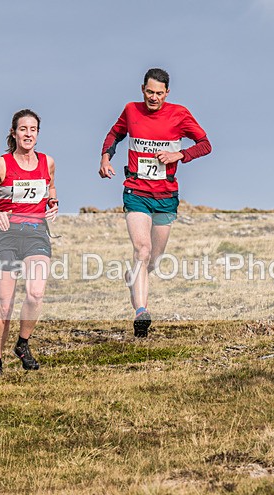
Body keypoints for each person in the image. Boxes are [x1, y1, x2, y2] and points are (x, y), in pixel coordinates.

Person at [99, 68, 211, 338]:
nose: (153, 97)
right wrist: (105, 158)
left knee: (153, 261)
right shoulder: (131, 110)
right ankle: (141, 312)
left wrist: (179, 155)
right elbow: (115, 134)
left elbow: (205, 144)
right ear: (142, 89)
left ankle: (133, 278)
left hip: (165, 197)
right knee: (142, 249)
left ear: (167, 93)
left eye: (159, 93)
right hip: (136, 192)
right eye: (149, 92)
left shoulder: (180, 114)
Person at [0, 109, 59, 375]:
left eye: (33, 129)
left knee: (36, 293)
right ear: (14, 132)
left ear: (38, 134)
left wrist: (53, 202)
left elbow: (50, 188)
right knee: (5, 304)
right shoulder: (2, 164)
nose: (28, 134)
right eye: (23, 129)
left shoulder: (48, 162)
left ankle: (22, 344)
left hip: (36, 234)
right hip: (6, 236)